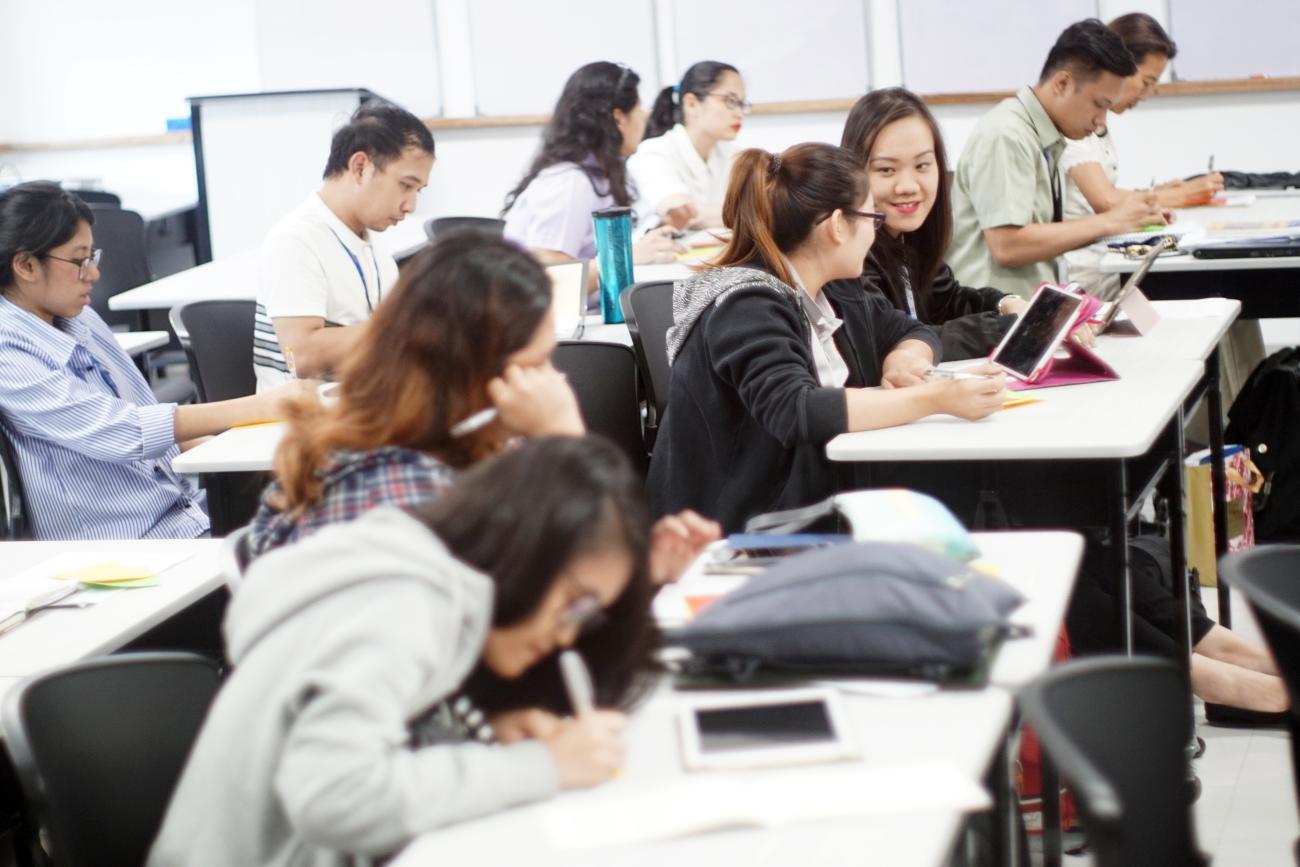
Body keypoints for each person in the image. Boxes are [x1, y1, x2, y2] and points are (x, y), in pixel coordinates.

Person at [150, 437, 664, 866]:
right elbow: (336, 797)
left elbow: (366, 742)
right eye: (576, 603)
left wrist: (479, 737)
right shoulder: (404, 603)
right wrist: (541, 766)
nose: (568, 636)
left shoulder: (422, 578)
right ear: (527, 555)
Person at [248, 233, 718, 575]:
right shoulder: (406, 488)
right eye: (534, 365)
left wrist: (641, 568)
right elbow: (550, 623)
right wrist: (564, 442)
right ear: (470, 372)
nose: (554, 380)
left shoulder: (462, 448)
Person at [646, 143, 1007, 533]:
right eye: (872, 218)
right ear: (837, 225)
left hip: (805, 511)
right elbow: (794, 409)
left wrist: (906, 359)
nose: (875, 233)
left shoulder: (834, 288)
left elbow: (908, 330)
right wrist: (935, 398)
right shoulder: (746, 303)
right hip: (730, 534)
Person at [0, 182, 299, 540]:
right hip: (132, 543)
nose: (93, 274)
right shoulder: (8, 351)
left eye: (92, 258)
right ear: (26, 265)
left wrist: (249, 456)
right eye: (79, 261)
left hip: (184, 512)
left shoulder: (80, 318)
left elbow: (151, 422)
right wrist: (259, 407)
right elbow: (127, 431)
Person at [947, 18, 1168, 298]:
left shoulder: (1044, 134)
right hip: (992, 313)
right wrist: (1110, 222)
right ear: (1062, 83)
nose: (1101, 121)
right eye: (1099, 105)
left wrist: (1126, 220)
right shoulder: (1007, 134)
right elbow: (1007, 246)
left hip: (1026, 305)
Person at [831, 87, 1028, 360]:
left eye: (922, 165)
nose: (908, 186)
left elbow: (948, 301)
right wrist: (1008, 327)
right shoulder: (846, 255)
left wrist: (1006, 303)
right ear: (855, 171)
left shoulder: (907, 237)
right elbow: (895, 339)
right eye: (886, 170)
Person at [254, 101, 435, 390]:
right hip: (307, 413)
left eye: (418, 191)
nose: (410, 205)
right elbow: (300, 356)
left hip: (366, 402)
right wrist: (408, 328)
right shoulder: (296, 240)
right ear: (360, 167)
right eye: (405, 185)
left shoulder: (375, 245)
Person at [1061, 13, 1225, 293]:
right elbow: (1107, 202)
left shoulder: (1098, 122)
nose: (1146, 95)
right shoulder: (1075, 122)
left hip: (1110, 259)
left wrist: (1155, 194)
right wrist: (1183, 195)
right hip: (1089, 274)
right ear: (1120, 66)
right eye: (1147, 82)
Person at [502, 61, 680, 281]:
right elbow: (556, 282)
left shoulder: (603, 170)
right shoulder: (570, 182)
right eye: (639, 108)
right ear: (618, 118)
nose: (644, 117)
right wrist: (627, 257)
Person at [628, 60, 747, 231]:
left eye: (742, 104)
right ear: (691, 104)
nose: (739, 113)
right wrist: (751, 214)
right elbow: (683, 214)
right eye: (730, 101)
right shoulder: (652, 153)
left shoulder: (734, 154)